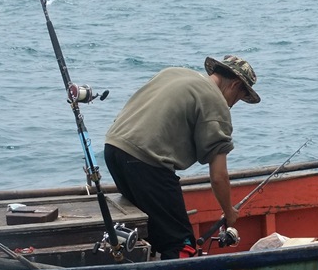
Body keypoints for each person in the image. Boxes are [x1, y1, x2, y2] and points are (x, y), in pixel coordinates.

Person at [104, 55, 260, 259]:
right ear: (235, 85)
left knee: (154, 228)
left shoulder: (174, 73)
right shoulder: (216, 102)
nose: (232, 105)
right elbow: (219, 176)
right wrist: (229, 212)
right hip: (147, 163)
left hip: (114, 149)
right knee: (181, 243)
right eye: (238, 98)